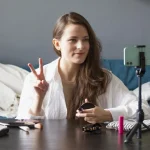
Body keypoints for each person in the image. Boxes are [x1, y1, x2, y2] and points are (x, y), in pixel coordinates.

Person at [17, 12, 150, 123]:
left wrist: (108, 114)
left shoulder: (103, 78)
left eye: (85, 39)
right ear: (57, 44)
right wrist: (38, 99)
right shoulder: (36, 79)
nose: (81, 46)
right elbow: (24, 126)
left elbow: (143, 109)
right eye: (73, 40)